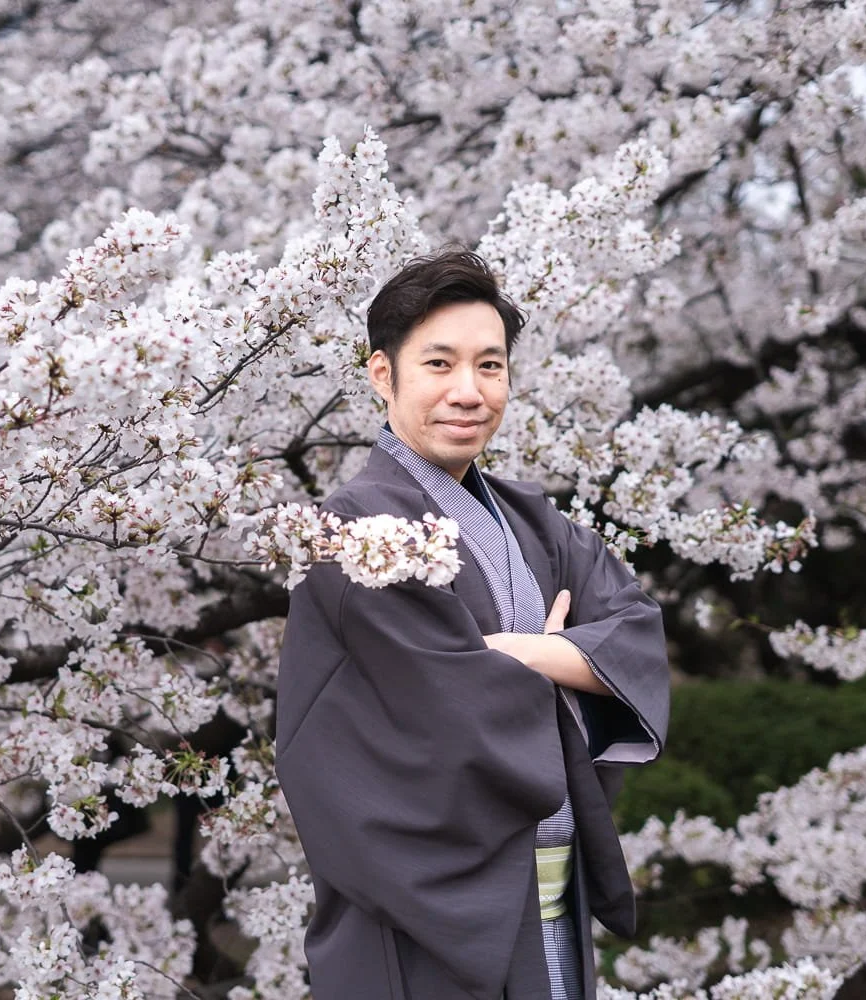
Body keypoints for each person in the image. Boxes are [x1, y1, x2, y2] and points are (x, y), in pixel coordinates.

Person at [275, 250, 670, 1000]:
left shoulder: (532, 519)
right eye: (439, 364)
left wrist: (526, 653)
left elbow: (637, 635)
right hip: (426, 923)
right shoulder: (354, 534)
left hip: (552, 902)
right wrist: (570, 660)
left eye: (490, 366)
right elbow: (451, 709)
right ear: (383, 374)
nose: (469, 391)